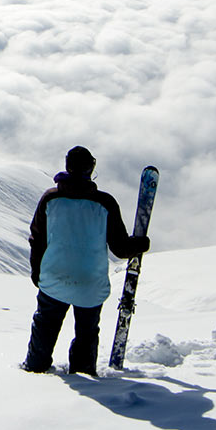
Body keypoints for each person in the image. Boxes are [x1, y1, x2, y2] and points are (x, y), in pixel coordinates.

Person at [21, 146, 149, 375]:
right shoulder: (105, 203)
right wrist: (140, 244)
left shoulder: (50, 199)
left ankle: (35, 368)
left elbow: (37, 239)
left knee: (45, 326)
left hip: (54, 277)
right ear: (91, 169)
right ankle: (82, 371)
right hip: (91, 282)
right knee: (87, 332)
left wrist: (37, 272)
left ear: (67, 166)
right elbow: (120, 249)